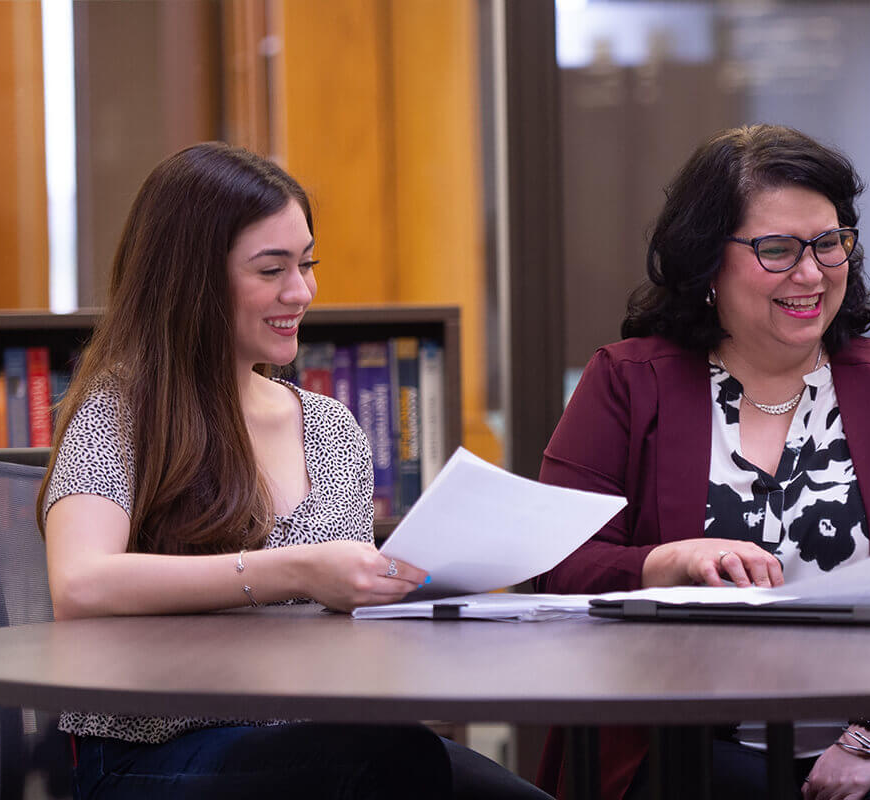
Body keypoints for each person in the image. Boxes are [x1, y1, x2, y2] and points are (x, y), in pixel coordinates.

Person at [39, 142, 549, 800]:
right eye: (271, 269)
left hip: (318, 737)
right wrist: (298, 570)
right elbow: (78, 585)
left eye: (306, 264)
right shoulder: (119, 413)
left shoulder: (333, 430)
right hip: (148, 754)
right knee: (389, 761)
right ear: (193, 279)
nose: (301, 291)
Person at [533, 124, 870, 800]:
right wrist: (663, 563)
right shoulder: (626, 383)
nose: (810, 273)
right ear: (706, 262)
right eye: (776, 249)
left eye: (829, 243)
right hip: (678, 743)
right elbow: (553, 571)